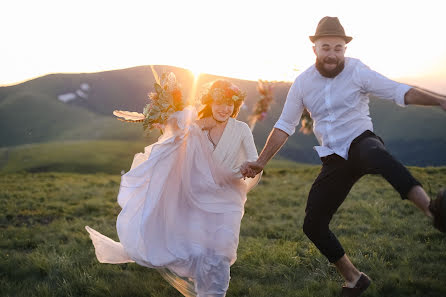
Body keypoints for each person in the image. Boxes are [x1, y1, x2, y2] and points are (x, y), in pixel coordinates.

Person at [241, 16, 446, 297]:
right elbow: (284, 126)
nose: (332, 54)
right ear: (314, 48)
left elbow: (399, 91)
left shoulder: (357, 71)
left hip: (361, 141)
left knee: (379, 155)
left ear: (345, 49)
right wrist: (261, 161)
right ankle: (354, 278)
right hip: (334, 157)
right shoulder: (302, 83)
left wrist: (439, 100)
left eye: (338, 48)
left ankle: (432, 211)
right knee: (313, 224)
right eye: (326, 47)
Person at [86, 79, 261, 297]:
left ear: (236, 105)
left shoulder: (241, 129)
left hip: (227, 199)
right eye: (219, 102)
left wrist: (247, 168)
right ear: (211, 102)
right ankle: (206, 291)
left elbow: (255, 160)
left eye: (229, 104)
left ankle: (215, 292)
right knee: (198, 251)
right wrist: (169, 125)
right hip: (195, 198)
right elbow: (174, 149)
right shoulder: (196, 127)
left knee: (221, 252)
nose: (224, 108)